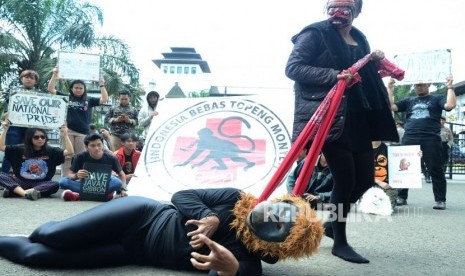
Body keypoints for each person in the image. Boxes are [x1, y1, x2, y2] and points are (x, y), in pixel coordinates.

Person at [285, 0, 398, 263]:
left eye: (346, 6)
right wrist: (333, 75)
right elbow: (293, 68)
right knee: (345, 181)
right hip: (330, 118)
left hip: (360, 115)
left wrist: (376, 61)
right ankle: (341, 242)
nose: (339, 10)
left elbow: (364, 73)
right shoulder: (315, 33)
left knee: (365, 181)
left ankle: (330, 227)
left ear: (357, 11)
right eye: (334, 4)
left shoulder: (359, 37)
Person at [0, 188, 323, 275]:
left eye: (281, 225)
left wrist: (228, 269)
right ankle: (29, 233)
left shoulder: (248, 262)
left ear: (279, 247)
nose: (272, 214)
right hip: (142, 215)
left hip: (134, 251)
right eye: (282, 208)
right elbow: (182, 196)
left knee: (36, 255)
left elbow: (235, 274)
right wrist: (208, 216)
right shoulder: (236, 197)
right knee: (52, 236)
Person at [387, 76, 456, 210]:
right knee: (404, 169)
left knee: (436, 169)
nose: (418, 87)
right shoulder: (409, 100)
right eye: (416, 85)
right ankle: (401, 197)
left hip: (431, 138)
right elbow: (391, 106)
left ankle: (440, 200)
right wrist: (390, 88)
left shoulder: (436, 98)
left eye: (421, 85)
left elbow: (450, 105)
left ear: (429, 83)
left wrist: (450, 87)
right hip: (410, 138)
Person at [48, 67, 109, 177]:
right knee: (67, 155)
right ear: (71, 89)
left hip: (83, 132)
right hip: (67, 131)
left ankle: (79, 177)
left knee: (80, 156)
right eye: (76, 87)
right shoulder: (66, 97)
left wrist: (102, 85)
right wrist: (54, 75)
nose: (78, 90)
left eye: (81, 88)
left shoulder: (89, 99)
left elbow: (104, 99)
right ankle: (65, 178)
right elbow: (51, 89)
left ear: (84, 89)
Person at [0, 121, 74, 200]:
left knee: (55, 184)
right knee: (2, 175)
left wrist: (65, 135)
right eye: (36, 137)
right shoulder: (19, 149)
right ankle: (25, 194)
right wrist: (5, 130)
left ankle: (16, 191)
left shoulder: (51, 150)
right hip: (21, 181)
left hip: (41, 183)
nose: (40, 139)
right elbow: (1, 147)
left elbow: (70, 152)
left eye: (43, 137)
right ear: (29, 138)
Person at [58, 133, 127, 201]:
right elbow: (69, 175)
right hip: (85, 185)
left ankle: (79, 195)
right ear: (86, 147)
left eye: (99, 145)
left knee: (117, 182)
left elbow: (121, 174)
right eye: (93, 146)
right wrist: (76, 175)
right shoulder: (80, 157)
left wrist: (123, 190)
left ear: (103, 145)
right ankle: (105, 196)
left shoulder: (111, 158)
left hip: (103, 184)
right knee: (63, 181)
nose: (97, 148)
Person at [1, 70, 42, 174]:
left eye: (32, 78)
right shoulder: (13, 92)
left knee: (29, 153)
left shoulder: (41, 95)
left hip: (32, 128)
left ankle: (23, 177)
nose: (29, 79)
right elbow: (6, 109)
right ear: (22, 78)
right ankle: (3, 178)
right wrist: (6, 114)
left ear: (35, 81)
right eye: (26, 77)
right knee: (9, 152)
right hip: (14, 127)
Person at [372, 141, 398, 208]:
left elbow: (406, 158)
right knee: (370, 205)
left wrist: (416, 155)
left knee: (388, 206)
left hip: (386, 185)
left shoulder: (389, 148)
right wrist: (379, 182)